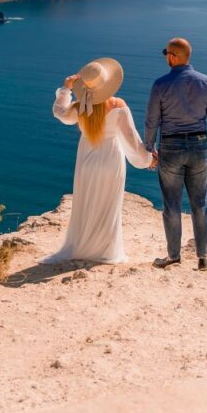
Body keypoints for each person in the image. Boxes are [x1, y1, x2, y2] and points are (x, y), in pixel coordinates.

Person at [43, 57, 154, 264]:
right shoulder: (117, 105)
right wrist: (147, 159)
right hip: (111, 160)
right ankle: (105, 251)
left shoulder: (79, 107)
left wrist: (66, 89)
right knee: (108, 206)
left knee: (85, 204)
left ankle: (81, 247)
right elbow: (131, 139)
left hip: (86, 160)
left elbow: (59, 112)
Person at [144, 38, 207, 271]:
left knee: (172, 205)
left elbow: (152, 121)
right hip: (199, 146)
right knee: (200, 203)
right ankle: (203, 258)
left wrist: (150, 148)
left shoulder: (160, 84)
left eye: (166, 53)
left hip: (170, 147)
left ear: (173, 56)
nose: (166, 57)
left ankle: (174, 257)